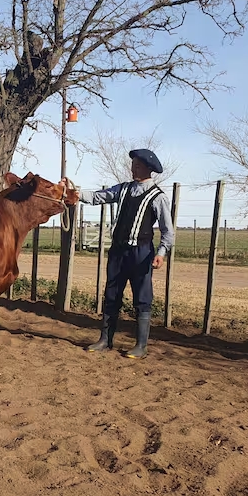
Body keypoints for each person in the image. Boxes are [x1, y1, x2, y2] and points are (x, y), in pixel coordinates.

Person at [78, 149, 175, 359]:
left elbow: (168, 230)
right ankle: (105, 340)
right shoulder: (122, 189)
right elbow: (97, 197)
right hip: (118, 251)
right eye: (132, 165)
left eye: (137, 166)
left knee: (142, 297)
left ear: (148, 169)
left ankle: (141, 345)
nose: (133, 169)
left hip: (141, 253)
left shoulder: (158, 197)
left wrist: (161, 253)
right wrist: (74, 193)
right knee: (111, 294)